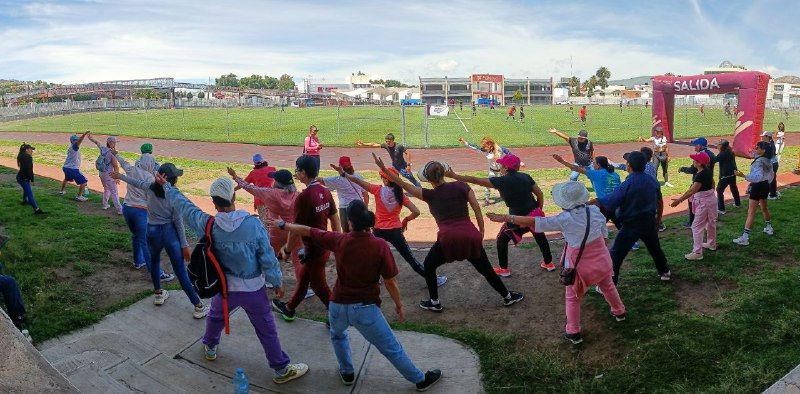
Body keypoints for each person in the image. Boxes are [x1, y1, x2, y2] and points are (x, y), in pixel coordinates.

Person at [273, 201, 442, 390]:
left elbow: (308, 230)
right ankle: (420, 380)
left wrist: (284, 225)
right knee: (391, 348)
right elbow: (390, 281)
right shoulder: (379, 245)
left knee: (338, 336)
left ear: (350, 222)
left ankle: (347, 373)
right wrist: (399, 305)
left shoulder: (340, 240)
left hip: (337, 305)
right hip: (365, 309)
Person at [158, 176, 309, 385]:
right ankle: (281, 369)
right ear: (234, 196)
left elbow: (185, 206)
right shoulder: (253, 224)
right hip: (254, 289)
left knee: (215, 317)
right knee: (266, 329)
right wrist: (277, 282)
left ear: (214, 202)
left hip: (225, 288)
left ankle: (210, 346)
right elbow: (266, 257)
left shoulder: (209, 224)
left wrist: (167, 186)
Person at [372, 154, 524, 312]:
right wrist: (481, 231)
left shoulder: (428, 194)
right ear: (443, 173)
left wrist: (383, 168)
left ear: (429, 179)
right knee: (486, 270)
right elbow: (476, 209)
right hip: (470, 235)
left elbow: (402, 183)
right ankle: (507, 296)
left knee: (429, 265)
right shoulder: (461, 186)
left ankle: (434, 302)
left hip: (448, 239)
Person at [487, 181, 626, 345]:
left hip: (579, 266)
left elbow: (536, 222)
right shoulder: (595, 210)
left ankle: (573, 331)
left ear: (564, 203)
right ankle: (619, 312)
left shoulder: (564, 219)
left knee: (573, 297)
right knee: (608, 286)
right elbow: (604, 234)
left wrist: (507, 218)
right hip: (602, 260)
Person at [111, 163, 209, 318]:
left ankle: (158, 294)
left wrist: (119, 176)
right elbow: (178, 222)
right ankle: (198, 305)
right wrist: (184, 245)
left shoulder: (150, 187)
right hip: (169, 234)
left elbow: (134, 182)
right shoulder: (174, 194)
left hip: (152, 231)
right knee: (180, 271)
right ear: (171, 180)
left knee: (155, 262)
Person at [328, 164, 447, 287]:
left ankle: (374, 278)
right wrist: (406, 220)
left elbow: (357, 181)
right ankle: (434, 280)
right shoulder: (401, 195)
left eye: (382, 177)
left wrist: (343, 173)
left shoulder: (377, 190)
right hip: (395, 231)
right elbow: (416, 211)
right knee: (410, 258)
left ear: (386, 179)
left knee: (371, 256)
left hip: (378, 230)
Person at [446, 154, 554, 275]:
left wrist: (454, 176)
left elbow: (475, 180)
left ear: (506, 168)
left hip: (516, 218)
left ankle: (504, 269)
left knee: (502, 240)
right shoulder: (526, 177)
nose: (500, 167)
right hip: (533, 214)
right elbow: (540, 194)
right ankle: (549, 263)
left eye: (502, 165)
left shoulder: (500, 181)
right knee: (540, 237)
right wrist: (537, 211)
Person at [272, 155, 341, 321]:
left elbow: (296, 229)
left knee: (319, 286)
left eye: (297, 170)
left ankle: (337, 317)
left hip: (313, 250)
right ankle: (289, 308)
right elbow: (334, 218)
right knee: (304, 279)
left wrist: (287, 249)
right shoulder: (324, 191)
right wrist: (335, 241)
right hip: (323, 246)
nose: (296, 173)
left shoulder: (303, 198)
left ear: (303, 173)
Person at [592, 151, 671, 284]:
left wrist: (594, 201)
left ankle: (611, 282)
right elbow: (659, 201)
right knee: (655, 248)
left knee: (616, 253)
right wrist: (657, 221)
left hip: (631, 225)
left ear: (629, 166)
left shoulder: (628, 183)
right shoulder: (652, 180)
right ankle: (665, 271)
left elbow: (611, 202)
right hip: (648, 223)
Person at [115, 147, 174, 280]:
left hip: (127, 208)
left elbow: (123, 162)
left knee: (136, 236)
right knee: (146, 242)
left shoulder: (132, 170)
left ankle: (138, 261)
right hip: (140, 212)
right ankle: (156, 274)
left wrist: (115, 153)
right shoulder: (151, 179)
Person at [229, 167, 300, 263]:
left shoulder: (269, 193)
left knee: (271, 258)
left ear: (277, 182)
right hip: (293, 232)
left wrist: (235, 177)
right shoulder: (298, 195)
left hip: (276, 234)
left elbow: (248, 187)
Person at [670, 152, 717, 260]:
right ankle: (711, 244)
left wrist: (679, 200)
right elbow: (713, 182)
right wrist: (710, 192)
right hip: (711, 200)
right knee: (710, 223)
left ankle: (697, 253)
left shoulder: (700, 174)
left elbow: (692, 190)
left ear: (700, 163)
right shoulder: (707, 170)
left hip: (704, 202)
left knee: (696, 226)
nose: (693, 161)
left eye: (695, 160)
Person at [733, 141, 775, 246]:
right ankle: (769, 227)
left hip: (758, 186)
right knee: (764, 208)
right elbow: (771, 175)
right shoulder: (768, 160)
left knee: (751, 212)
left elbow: (757, 177)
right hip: (765, 186)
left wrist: (743, 176)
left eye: (758, 147)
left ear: (763, 150)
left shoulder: (758, 162)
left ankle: (745, 237)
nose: (755, 148)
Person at [457, 136, 511, 206]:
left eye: (485, 147)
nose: (483, 148)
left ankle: (507, 196)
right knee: (487, 184)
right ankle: (487, 200)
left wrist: (520, 162)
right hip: (492, 171)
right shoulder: (485, 152)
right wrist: (465, 142)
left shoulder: (500, 149)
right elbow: (474, 147)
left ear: (490, 145)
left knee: (504, 185)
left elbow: (509, 153)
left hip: (502, 171)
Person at [322, 156, 368, 233]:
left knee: (346, 232)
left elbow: (321, 180)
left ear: (340, 167)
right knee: (361, 231)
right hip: (359, 206)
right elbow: (365, 194)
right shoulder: (359, 177)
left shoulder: (337, 180)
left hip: (344, 208)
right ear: (351, 165)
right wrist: (365, 208)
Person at [356, 133, 421, 187]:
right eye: (386, 141)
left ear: (393, 140)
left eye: (389, 141)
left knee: (409, 176)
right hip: (394, 165)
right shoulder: (386, 145)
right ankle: (394, 188)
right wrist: (363, 144)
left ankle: (418, 187)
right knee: (391, 177)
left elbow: (408, 153)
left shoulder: (399, 146)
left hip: (402, 165)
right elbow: (374, 144)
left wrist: (408, 165)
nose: (387, 143)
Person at [679, 137, 716, 227]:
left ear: (699, 146)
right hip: (709, 180)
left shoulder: (701, 156)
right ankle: (706, 219)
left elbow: (692, 169)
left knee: (692, 200)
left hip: (699, 182)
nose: (694, 147)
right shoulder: (711, 154)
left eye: (695, 145)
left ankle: (692, 222)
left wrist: (682, 168)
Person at [552, 154, 620, 199]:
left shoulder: (596, 174)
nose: (593, 165)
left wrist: (562, 161)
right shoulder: (615, 174)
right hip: (617, 200)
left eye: (594, 163)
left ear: (598, 165)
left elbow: (576, 168)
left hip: (606, 203)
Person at [87, 135, 122, 214]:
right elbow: (115, 166)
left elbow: (97, 143)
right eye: (114, 142)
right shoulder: (112, 153)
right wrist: (117, 177)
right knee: (114, 192)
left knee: (107, 189)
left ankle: (105, 205)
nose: (115, 144)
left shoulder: (103, 149)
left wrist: (91, 138)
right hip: (109, 175)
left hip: (101, 173)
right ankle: (120, 209)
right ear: (110, 143)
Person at [239, 154, 276, 228]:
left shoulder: (253, 173)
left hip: (260, 201)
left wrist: (233, 190)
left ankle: (266, 238)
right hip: (272, 199)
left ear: (254, 163)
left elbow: (242, 184)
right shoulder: (273, 169)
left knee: (264, 222)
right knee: (273, 221)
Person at [59, 131, 90, 201]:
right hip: (72, 169)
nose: (77, 141)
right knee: (84, 182)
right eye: (76, 140)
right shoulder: (74, 147)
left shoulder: (71, 147)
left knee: (66, 179)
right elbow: (80, 141)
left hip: (66, 167)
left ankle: (62, 191)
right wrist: (84, 134)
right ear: (72, 141)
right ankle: (79, 196)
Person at [16, 143, 44, 215]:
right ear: (26, 150)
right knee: (30, 194)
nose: (32, 151)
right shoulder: (28, 157)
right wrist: (31, 179)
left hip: (19, 177)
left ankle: (24, 201)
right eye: (31, 149)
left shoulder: (20, 156)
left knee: (26, 189)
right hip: (23, 178)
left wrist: (29, 179)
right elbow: (29, 170)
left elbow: (24, 168)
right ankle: (36, 209)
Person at [715, 140, 740, 214]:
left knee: (719, 190)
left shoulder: (722, 154)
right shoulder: (730, 152)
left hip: (725, 176)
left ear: (722, 146)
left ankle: (721, 209)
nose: (717, 146)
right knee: (734, 188)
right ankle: (737, 203)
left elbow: (714, 160)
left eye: (718, 145)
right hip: (732, 174)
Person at [761, 131, 781, 200]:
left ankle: (773, 195)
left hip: (772, 164)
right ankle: (773, 192)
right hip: (773, 163)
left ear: (767, 137)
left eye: (763, 136)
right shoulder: (770, 143)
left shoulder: (769, 145)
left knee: (771, 179)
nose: (762, 137)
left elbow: (768, 156)